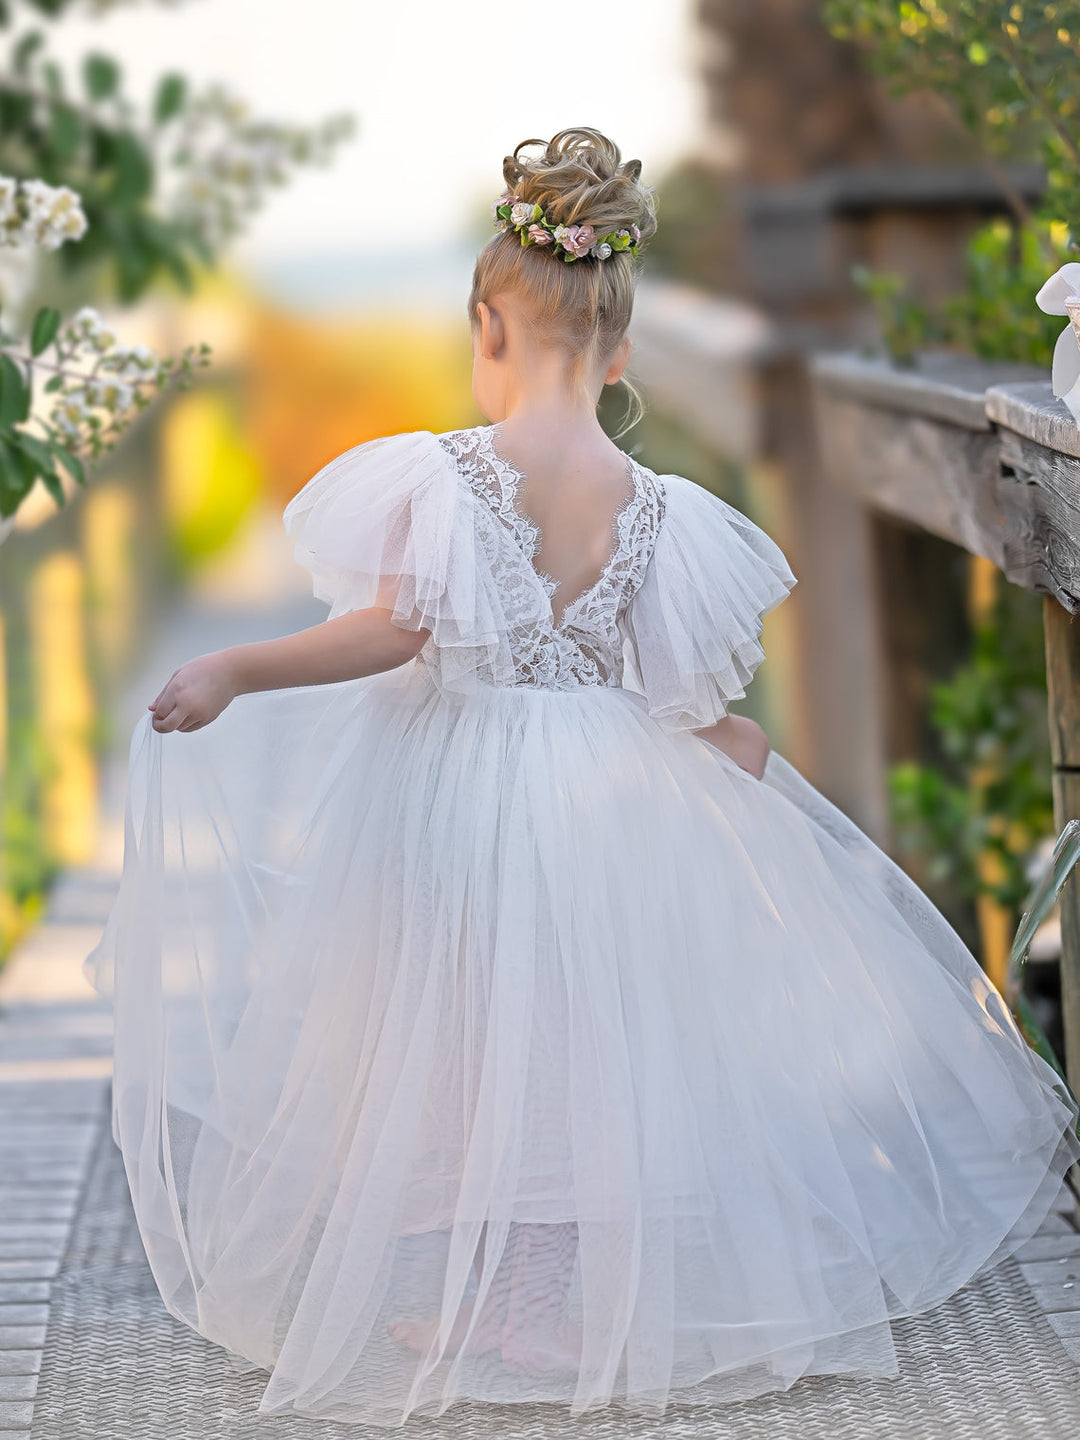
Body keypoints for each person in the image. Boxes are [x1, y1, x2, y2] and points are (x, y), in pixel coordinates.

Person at [85, 126, 1080, 1430]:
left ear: (488, 328)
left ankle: (505, 1293)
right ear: (619, 352)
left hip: (457, 793)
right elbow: (679, 694)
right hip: (606, 795)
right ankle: (551, 1297)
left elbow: (390, 633)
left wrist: (234, 669)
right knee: (581, 1040)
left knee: (472, 1036)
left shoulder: (447, 476)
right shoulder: (657, 503)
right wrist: (736, 759)